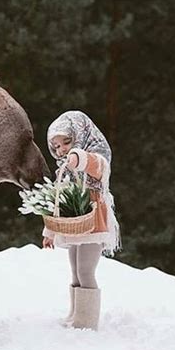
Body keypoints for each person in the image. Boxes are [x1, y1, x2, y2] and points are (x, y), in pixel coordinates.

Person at [42, 110, 120, 331]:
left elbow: (97, 165)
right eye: (56, 147)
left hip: (93, 220)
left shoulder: (98, 153)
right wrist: (49, 231)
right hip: (76, 222)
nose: (61, 150)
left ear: (79, 134)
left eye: (66, 142)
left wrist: (78, 157)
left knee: (86, 270)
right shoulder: (65, 169)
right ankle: (76, 313)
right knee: (75, 270)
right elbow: (59, 201)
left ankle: (86, 322)